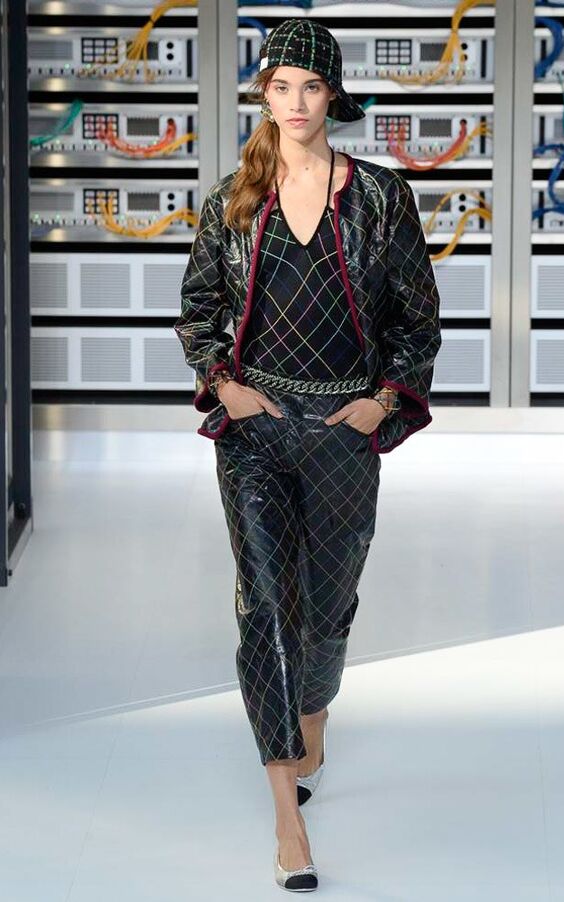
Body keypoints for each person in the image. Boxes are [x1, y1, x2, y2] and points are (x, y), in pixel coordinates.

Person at [174, 18, 442, 893]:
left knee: (325, 608)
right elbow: (198, 311)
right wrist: (225, 384)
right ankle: (287, 813)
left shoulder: (380, 198)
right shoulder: (231, 200)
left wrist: (380, 403)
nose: (295, 102)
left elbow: (418, 319)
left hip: (341, 428)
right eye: (281, 86)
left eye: (311, 86)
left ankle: (315, 709)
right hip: (255, 428)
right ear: (264, 94)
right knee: (263, 604)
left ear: (333, 96)